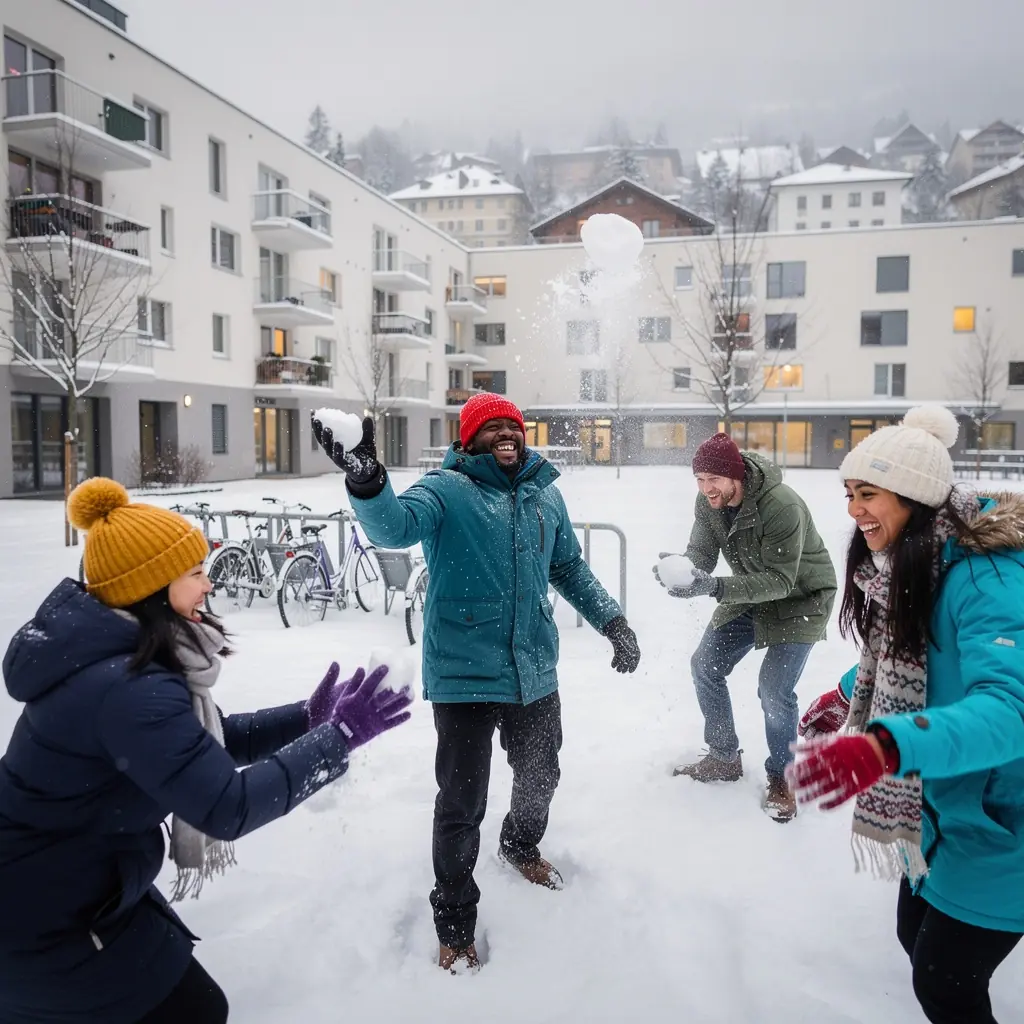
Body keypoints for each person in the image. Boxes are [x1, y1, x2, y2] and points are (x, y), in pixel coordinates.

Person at [0, 479, 412, 1024]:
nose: (208, 582)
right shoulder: (126, 689)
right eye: (193, 572)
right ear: (149, 588)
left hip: (69, 890)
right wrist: (337, 739)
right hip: (46, 923)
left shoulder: (114, 661)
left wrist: (304, 720)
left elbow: (193, 750)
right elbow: (226, 806)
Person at [313, 393, 640, 973]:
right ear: (468, 441)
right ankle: (456, 924)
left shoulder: (545, 494)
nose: (505, 436)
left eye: (512, 427)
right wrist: (367, 478)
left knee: (542, 772)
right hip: (465, 674)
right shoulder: (448, 490)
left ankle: (519, 843)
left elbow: (568, 567)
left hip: (533, 666)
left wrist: (612, 620)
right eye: (490, 430)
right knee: (462, 804)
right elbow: (393, 526)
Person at [791, 405, 1024, 1024]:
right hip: (943, 810)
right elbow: (909, 659)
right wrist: (848, 694)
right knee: (914, 939)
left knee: (945, 985)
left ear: (915, 498)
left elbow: (1010, 710)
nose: (852, 511)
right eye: (848, 494)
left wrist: (886, 746)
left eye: (868, 494)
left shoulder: (987, 580)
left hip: (1005, 824)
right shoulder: (913, 569)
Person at [655, 431, 836, 822]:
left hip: (800, 599)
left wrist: (715, 586)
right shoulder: (709, 503)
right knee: (705, 665)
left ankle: (783, 777)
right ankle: (723, 756)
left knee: (773, 689)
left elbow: (781, 581)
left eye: (713, 480)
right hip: (750, 593)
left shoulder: (781, 505)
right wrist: (684, 573)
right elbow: (701, 552)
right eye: (699, 480)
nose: (706, 489)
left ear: (735, 475)